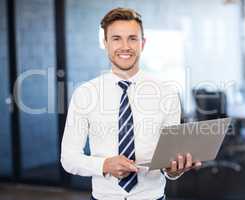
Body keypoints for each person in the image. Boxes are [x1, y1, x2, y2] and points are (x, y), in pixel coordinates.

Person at [60, 7, 202, 200]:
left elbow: (169, 162)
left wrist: (175, 170)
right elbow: (68, 158)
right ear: (105, 43)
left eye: (132, 38)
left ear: (143, 43)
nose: (125, 46)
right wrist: (104, 165)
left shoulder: (167, 94)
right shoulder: (85, 94)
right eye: (116, 38)